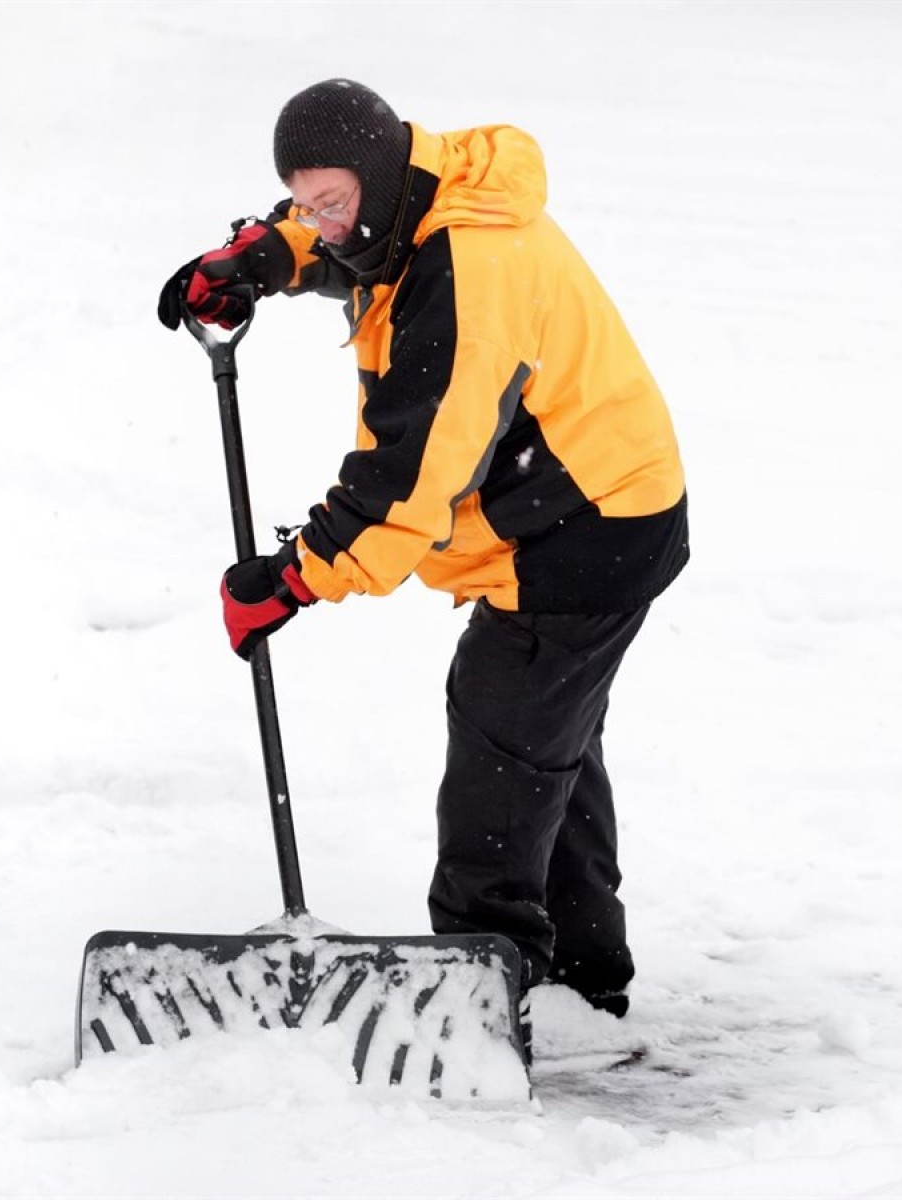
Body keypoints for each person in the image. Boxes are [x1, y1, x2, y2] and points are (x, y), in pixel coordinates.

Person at [158, 79, 689, 1035]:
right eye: (307, 202)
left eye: (334, 202)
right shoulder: (418, 198)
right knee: (545, 745)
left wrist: (295, 577)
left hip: (588, 529)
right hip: (580, 508)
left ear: (382, 173)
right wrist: (267, 254)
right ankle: (579, 980)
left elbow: (411, 476)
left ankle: (484, 995)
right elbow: (354, 244)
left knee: (503, 739)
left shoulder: (471, 272)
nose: (324, 222)